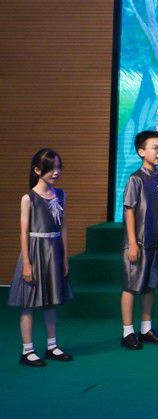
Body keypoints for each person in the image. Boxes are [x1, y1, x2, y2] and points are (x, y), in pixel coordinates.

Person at [10, 149, 72, 366]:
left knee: (51, 301)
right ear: (37, 170)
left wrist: (64, 258)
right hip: (34, 251)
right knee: (28, 303)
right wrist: (27, 263)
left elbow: (63, 227)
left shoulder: (61, 195)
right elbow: (23, 232)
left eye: (58, 167)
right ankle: (27, 351)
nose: (56, 172)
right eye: (50, 168)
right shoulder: (28, 198)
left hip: (54, 251)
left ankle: (52, 346)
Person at [121, 131, 158, 350]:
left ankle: (146, 328)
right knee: (131, 286)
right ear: (141, 152)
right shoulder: (135, 179)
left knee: (150, 285)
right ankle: (127, 331)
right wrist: (132, 242)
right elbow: (129, 210)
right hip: (138, 242)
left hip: (157, 240)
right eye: (154, 148)